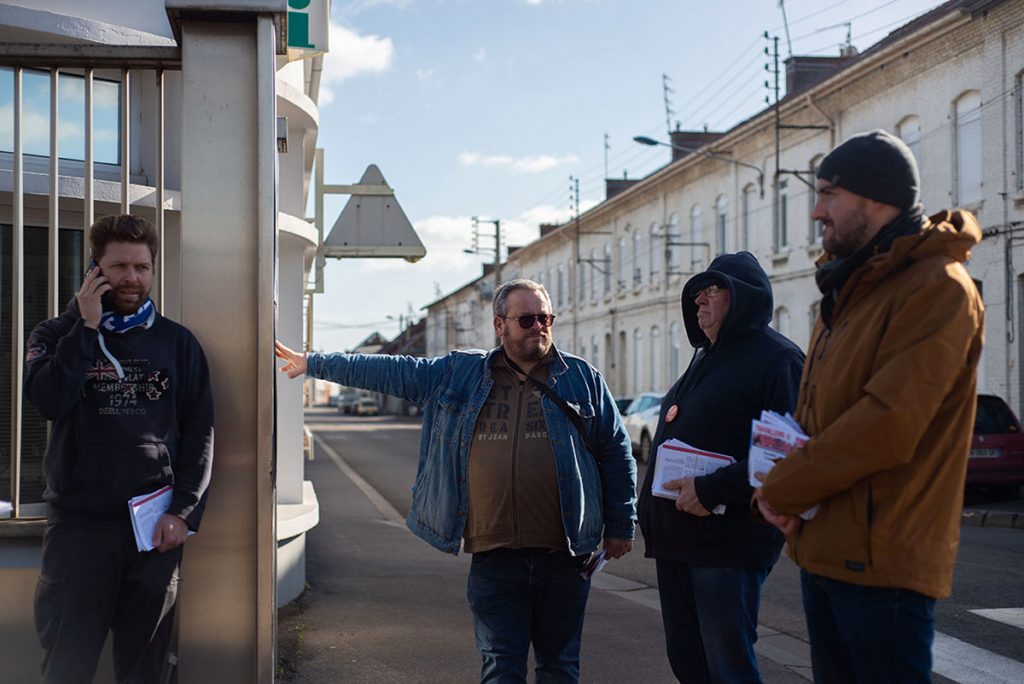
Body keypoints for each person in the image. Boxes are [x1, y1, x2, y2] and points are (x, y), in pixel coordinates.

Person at [276, 278, 636, 683]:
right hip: (495, 558)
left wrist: (621, 525)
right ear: (500, 325)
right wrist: (314, 363)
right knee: (501, 666)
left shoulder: (581, 378)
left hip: (566, 556)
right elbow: (390, 370)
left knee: (560, 667)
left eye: (545, 318)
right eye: (527, 319)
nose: (539, 326)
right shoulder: (461, 374)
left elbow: (616, 451)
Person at [754, 130, 985, 683]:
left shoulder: (938, 288)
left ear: (877, 198)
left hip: (883, 564)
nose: (816, 211)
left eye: (829, 193)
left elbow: (887, 423)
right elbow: (821, 415)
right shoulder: (855, 287)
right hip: (828, 548)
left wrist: (784, 487)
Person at [26, 214, 215, 683]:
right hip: (79, 531)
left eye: (142, 267)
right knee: (67, 663)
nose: (132, 277)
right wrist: (86, 330)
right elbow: (48, 400)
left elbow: (200, 433)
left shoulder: (178, 343)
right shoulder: (52, 336)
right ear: (95, 271)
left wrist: (184, 512)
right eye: (119, 266)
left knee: (145, 671)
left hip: (152, 533)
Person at [637, 252, 805, 683]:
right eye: (696, 292)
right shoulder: (705, 356)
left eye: (713, 290)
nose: (699, 301)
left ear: (744, 298)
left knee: (727, 668)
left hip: (727, 546)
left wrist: (712, 490)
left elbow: (789, 457)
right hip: (678, 542)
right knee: (689, 663)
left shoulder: (777, 359)